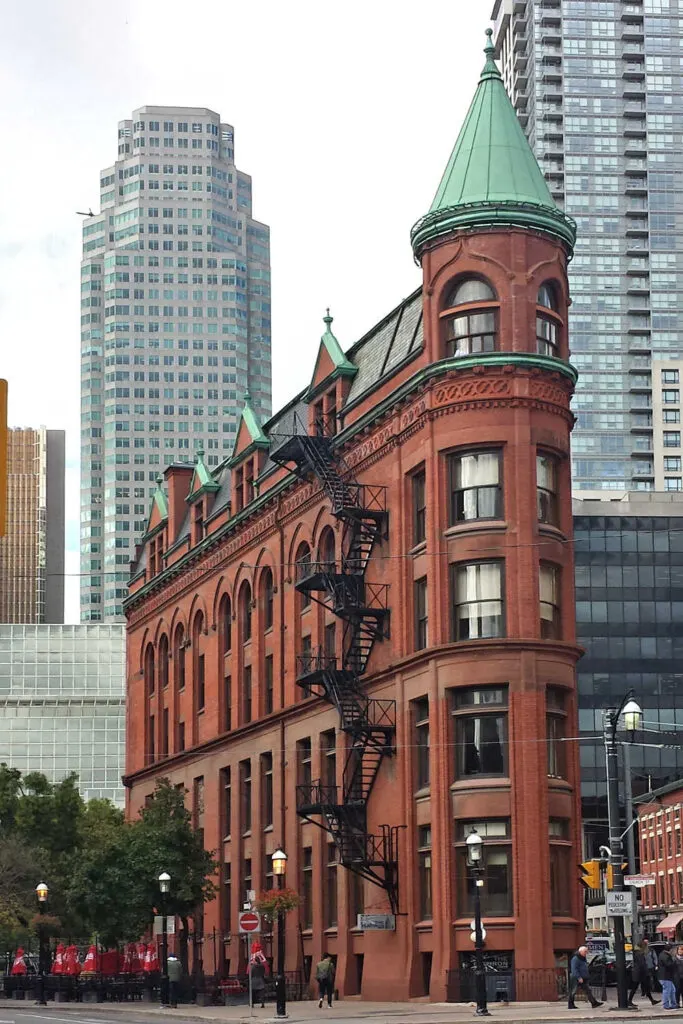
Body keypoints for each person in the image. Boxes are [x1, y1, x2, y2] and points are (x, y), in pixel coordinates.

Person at [568, 946, 603, 1010]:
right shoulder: (575, 959)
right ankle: (570, 1004)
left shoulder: (582, 958)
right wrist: (579, 977)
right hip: (576, 977)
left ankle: (594, 1003)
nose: (586, 953)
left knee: (587, 990)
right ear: (580, 951)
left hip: (583, 977)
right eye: (585, 951)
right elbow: (574, 969)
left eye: (586, 951)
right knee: (573, 991)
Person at [659, 943, 678, 1010]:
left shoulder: (664, 955)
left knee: (672, 990)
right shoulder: (665, 956)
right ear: (670, 949)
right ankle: (666, 1005)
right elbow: (669, 965)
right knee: (667, 991)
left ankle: (673, 1004)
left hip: (667, 976)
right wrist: (674, 961)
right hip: (665, 976)